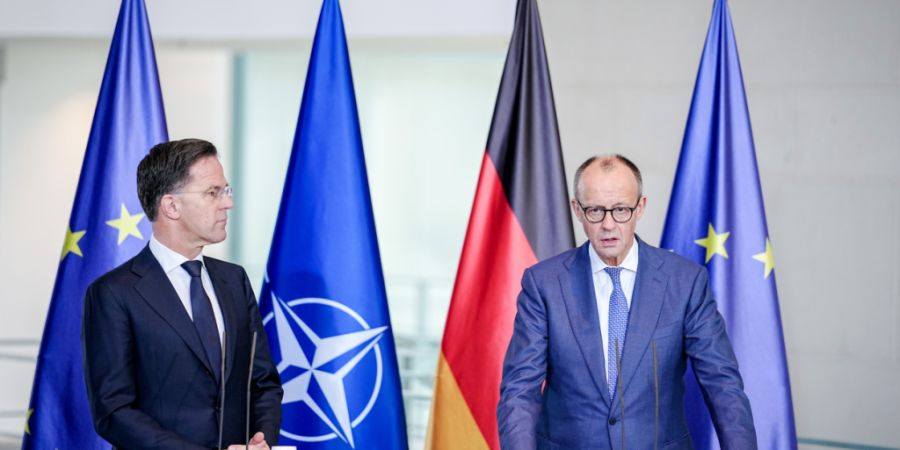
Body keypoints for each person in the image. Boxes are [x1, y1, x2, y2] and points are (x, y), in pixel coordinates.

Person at [497, 155, 756, 449]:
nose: (608, 224)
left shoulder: (685, 282)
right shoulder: (543, 283)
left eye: (621, 209)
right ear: (577, 210)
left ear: (640, 207)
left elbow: (722, 384)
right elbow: (519, 391)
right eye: (595, 210)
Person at [82, 139, 283, 450]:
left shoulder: (234, 279)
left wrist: (262, 439)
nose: (228, 203)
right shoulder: (113, 294)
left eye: (225, 191)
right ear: (171, 206)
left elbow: (263, 382)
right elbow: (113, 411)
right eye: (213, 193)